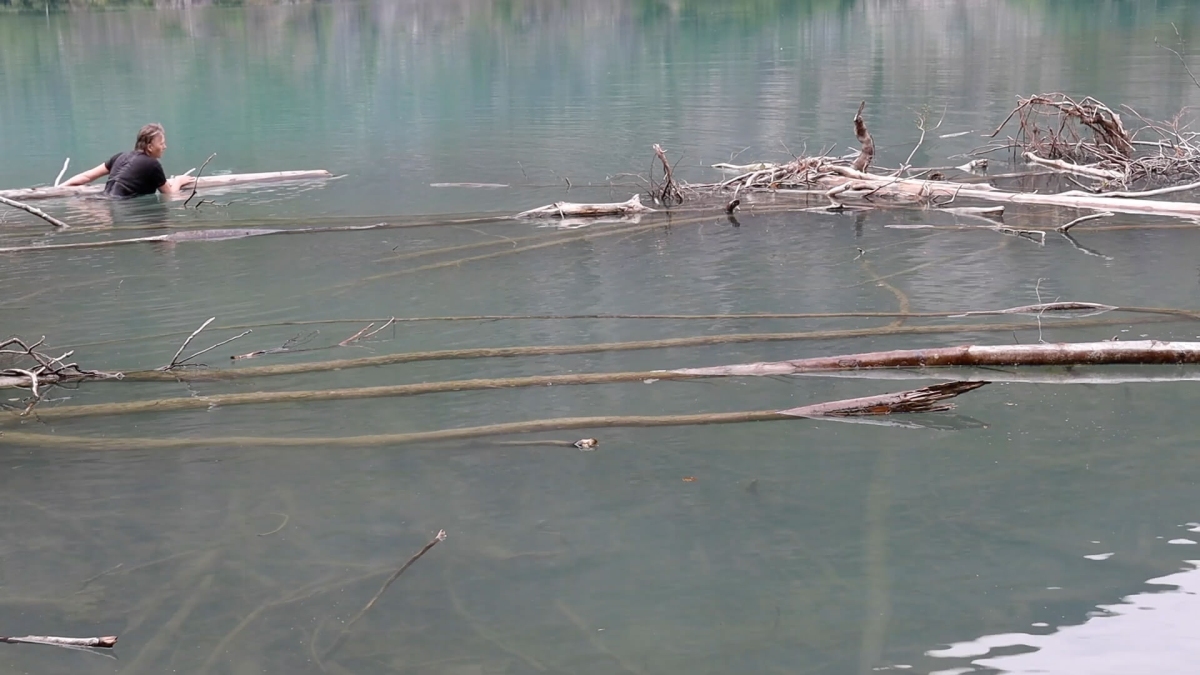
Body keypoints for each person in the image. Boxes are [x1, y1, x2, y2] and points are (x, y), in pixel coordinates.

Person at [61, 123, 191, 198]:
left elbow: (86, 176)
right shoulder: (153, 165)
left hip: (102, 200)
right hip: (120, 207)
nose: (165, 147)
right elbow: (169, 195)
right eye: (162, 144)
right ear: (150, 147)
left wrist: (60, 188)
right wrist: (179, 180)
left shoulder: (120, 156)